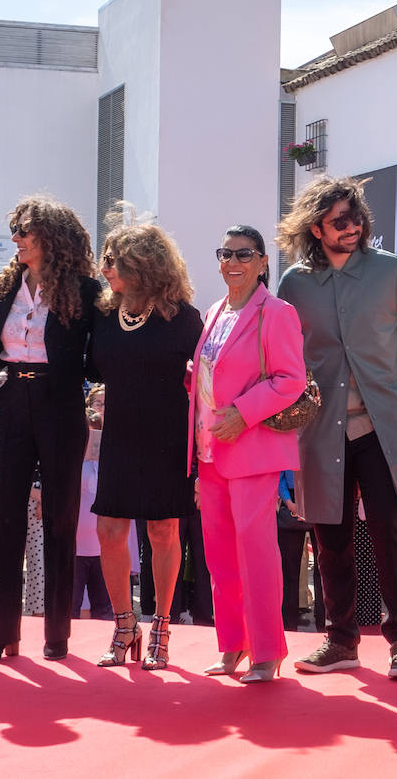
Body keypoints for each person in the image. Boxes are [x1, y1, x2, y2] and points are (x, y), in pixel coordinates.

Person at [276, 175, 397, 679]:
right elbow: (285, 357)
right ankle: (341, 640)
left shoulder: (392, 273)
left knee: (390, 533)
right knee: (330, 536)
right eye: (339, 221)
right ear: (316, 228)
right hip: (321, 431)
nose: (353, 227)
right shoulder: (294, 284)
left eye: (356, 217)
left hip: (381, 431)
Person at [0, 195, 99, 663]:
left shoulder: (86, 291)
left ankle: (57, 635)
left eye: (25, 231)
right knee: (6, 517)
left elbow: (99, 353)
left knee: (60, 518)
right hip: (12, 400)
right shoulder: (2, 285)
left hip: (61, 402)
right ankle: (1, 633)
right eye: (15, 231)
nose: (16, 239)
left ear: (52, 237)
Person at [188, 225, 306, 683]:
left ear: (262, 263)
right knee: (219, 556)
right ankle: (232, 645)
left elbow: (290, 378)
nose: (232, 262)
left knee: (256, 553)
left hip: (252, 447)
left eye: (244, 254)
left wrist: (242, 412)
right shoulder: (215, 311)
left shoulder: (277, 312)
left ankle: (266, 650)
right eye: (225, 253)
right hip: (210, 449)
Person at [90, 222, 202, 669]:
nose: (105, 269)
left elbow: (208, 379)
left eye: (114, 260)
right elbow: (95, 371)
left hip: (167, 435)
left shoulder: (183, 317)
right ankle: (124, 625)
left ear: (143, 264)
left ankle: (160, 625)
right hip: (119, 433)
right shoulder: (102, 314)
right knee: (109, 531)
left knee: (162, 531)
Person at [73, 416, 114, 621]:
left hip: (102, 548)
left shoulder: (110, 463)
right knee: (71, 607)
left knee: (104, 609)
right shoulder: (70, 461)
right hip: (75, 549)